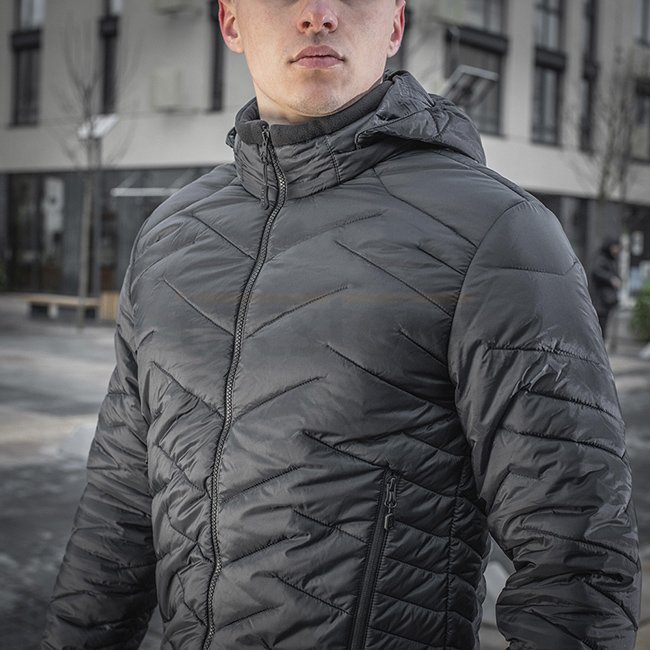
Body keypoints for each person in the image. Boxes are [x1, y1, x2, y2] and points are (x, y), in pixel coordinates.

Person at [42, 1, 640, 649]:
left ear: (395, 23)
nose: (318, 14)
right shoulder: (169, 238)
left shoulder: (499, 234)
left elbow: (576, 560)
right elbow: (116, 515)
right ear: (231, 21)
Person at [591, 237, 622, 340]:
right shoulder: (602, 259)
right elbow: (596, 271)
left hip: (607, 301)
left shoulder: (611, 260)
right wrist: (611, 279)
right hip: (601, 300)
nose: (616, 250)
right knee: (600, 327)